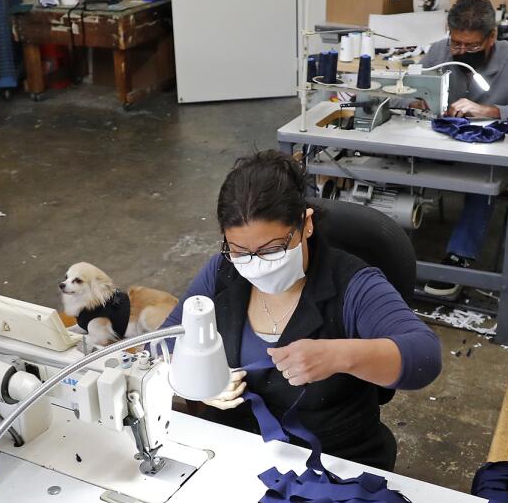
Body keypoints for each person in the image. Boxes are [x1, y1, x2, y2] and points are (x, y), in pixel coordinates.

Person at [162, 151, 442, 470]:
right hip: (236, 450)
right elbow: (162, 342)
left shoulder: (352, 285)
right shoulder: (222, 272)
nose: (255, 264)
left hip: (334, 464)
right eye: (240, 251)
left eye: (272, 250)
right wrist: (195, 374)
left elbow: (425, 356)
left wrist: (341, 356)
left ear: (305, 225)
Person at [420, 0, 508, 300]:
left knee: (483, 181)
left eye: (472, 46)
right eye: (457, 44)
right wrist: (416, 99)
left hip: (485, 152)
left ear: (492, 36)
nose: (462, 52)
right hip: (437, 143)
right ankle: (388, 245)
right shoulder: (439, 52)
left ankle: (459, 256)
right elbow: (413, 91)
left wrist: (491, 111)